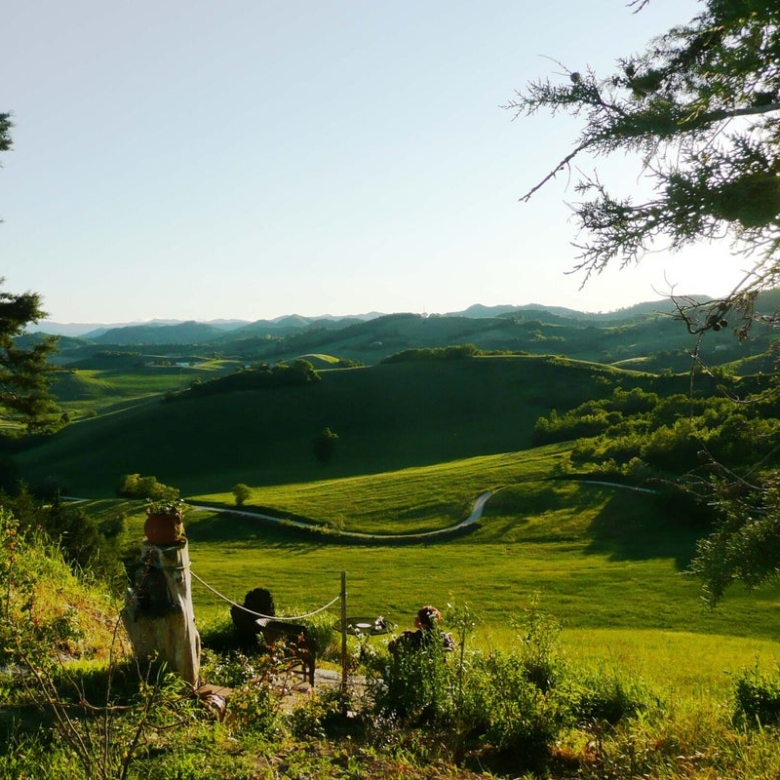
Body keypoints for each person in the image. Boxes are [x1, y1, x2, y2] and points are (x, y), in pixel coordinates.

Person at [388, 605, 454, 655]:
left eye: (417, 617)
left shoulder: (409, 637)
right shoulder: (443, 637)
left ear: (420, 621)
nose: (415, 618)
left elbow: (392, 647)